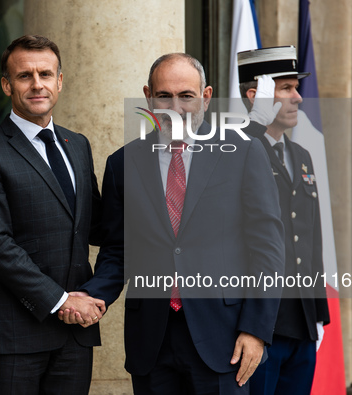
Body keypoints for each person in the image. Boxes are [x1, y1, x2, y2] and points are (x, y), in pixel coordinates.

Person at [62, 53, 285, 394]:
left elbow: (267, 249)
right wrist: (94, 296)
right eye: (164, 95)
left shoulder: (243, 152)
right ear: (149, 97)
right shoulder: (124, 163)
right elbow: (118, 249)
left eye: (187, 96)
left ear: (206, 97)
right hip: (152, 339)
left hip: (225, 340)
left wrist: (255, 330)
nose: (175, 106)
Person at [0, 34, 105, 395]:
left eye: (45, 74)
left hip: (74, 339)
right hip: (12, 339)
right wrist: (61, 300)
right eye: (25, 76)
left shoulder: (78, 144)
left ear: (60, 81)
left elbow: (98, 227)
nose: (37, 84)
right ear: (7, 85)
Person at [237, 46, 331, 395]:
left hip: (302, 323)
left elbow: (312, 238)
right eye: (286, 88)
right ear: (255, 95)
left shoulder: (300, 155)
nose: (298, 97)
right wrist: (255, 123)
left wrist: (319, 314)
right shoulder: (237, 147)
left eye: (296, 87)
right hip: (261, 326)